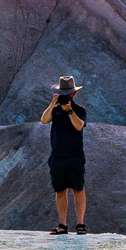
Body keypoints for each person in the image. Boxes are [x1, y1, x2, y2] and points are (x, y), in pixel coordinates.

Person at [39, 75, 87, 234]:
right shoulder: (55, 109)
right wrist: (53, 104)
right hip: (57, 156)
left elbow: (79, 126)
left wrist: (70, 111)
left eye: (67, 93)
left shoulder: (79, 110)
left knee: (78, 189)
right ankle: (62, 225)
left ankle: (80, 224)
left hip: (75, 155)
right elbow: (44, 120)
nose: (65, 96)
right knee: (60, 191)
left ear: (74, 94)